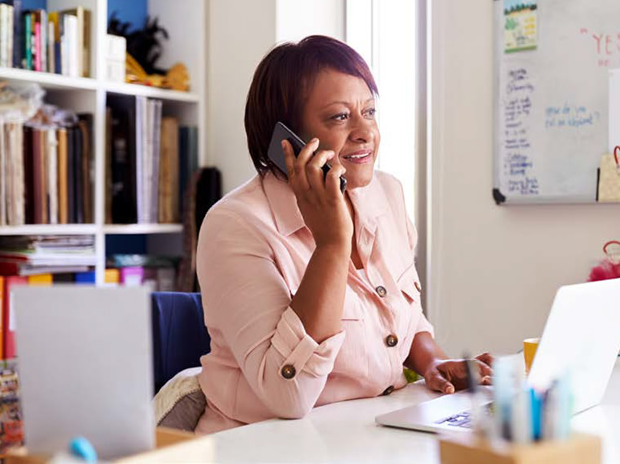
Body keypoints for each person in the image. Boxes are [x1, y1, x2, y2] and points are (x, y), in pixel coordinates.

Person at [194, 35, 492, 433]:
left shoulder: (385, 193)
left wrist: (431, 362)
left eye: (369, 111)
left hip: (370, 435)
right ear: (286, 139)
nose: (364, 131)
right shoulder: (236, 225)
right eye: (339, 117)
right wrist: (332, 244)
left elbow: (405, 318)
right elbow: (288, 396)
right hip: (265, 446)